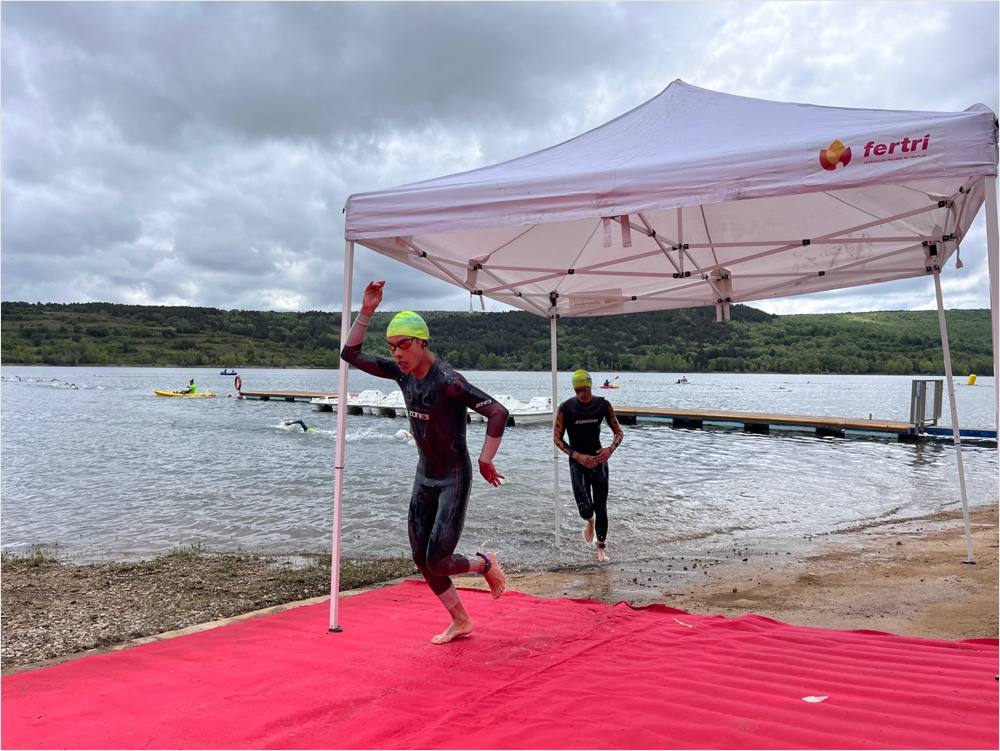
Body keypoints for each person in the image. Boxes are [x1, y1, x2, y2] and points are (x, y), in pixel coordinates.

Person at [340, 280, 509, 645]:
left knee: (438, 558)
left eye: (404, 344)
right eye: (392, 346)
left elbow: (498, 412)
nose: (397, 353)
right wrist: (366, 311)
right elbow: (349, 354)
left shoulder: (448, 381)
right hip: (425, 476)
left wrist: (485, 459)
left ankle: (484, 563)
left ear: (422, 343)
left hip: (453, 477)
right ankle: (461, 620)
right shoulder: (402, 374)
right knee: (421, 558)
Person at [553, 369, 624, 563]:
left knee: (601, 506)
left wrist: (609, 450)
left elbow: (619, 432)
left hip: (599, 460)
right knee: (585, 508)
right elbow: (557, 439)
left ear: (590, 386)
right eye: (578, 391)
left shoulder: (603, 405)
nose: (582, 395)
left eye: (584, 389)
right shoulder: (566, 408)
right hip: (578, 462)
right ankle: (589, 522)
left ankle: (601, 547)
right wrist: (577, 456)